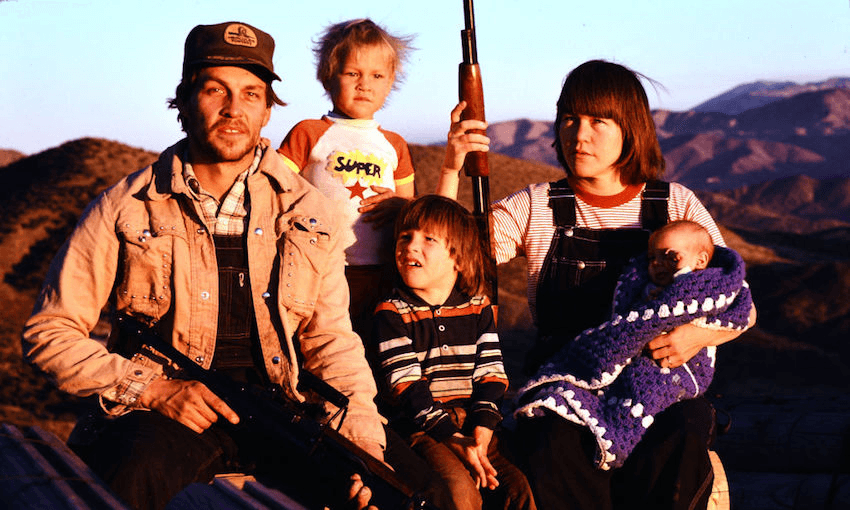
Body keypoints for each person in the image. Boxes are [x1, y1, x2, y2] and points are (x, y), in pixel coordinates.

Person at [21, 21, 388, 510]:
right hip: (165, 415)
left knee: (392, 491)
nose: (234, 110)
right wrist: (152, 390)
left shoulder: (305, 209)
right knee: (129, 477)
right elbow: (51, 332)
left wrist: (362, 437)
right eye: (216, 90)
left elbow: (332, 341)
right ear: (186, 100)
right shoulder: (126, 206)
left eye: (251, 94)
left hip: (279, 409)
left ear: (266, 110)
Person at [438, 60, 757, 509]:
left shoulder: (676, 205)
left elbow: (740, 303)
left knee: (686, 425)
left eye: (597, 121)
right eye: (569, 118)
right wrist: (452, 169)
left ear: (631, 128)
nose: (578, 134)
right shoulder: (537, 206)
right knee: (551, 442)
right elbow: (448, 256)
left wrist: (697, 335)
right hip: (562, 385)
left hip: (657, 382)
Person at [515, 219, 753, 470]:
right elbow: (628, 319)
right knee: (554, 425)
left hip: (675, 370)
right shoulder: (642, 286)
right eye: (652, 258)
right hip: (619, 361)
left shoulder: (707, 286)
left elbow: (743, 312)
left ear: (701, 260)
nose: (658, 264)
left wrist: (697, 335)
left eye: (670, 257)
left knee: (660, 408)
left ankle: (619, 429)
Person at [373, 195, 536, 510]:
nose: (410, 246)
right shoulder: (392, 312)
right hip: (424, 429)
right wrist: (453, 438)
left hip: (475, 424)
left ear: (458, 258)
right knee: (459, 493)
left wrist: (483, 428)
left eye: (428, 239)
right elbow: (407, 386)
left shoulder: (477, 306)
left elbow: (491, 373)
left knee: (518, 489)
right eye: (404, 237)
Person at [277, 18, 416, 343]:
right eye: (353, 73)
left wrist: (399, 205)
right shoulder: (308, 132)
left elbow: (410, 207)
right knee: (318, 344)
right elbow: (275, 190)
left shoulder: (395, 145)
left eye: (377, 75)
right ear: (329, 76)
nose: (364, 84)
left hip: (381, 272)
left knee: (374, 349)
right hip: (319, 268)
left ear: (391, 81)